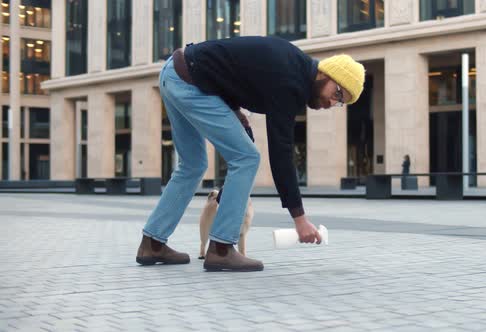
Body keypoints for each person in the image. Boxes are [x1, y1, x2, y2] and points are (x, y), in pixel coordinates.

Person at [135, 36, 366, 272]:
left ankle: (152, 243)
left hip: (174, 73)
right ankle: (222, 248)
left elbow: (230, 71)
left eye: (340, 103)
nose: (332, 103)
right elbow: (281, 152)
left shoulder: (292, 67)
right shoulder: (292, 81)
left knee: (193, 164)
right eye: (337, 94)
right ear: (326, 74)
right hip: (190, 82)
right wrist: (300, 220)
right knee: (246, 157)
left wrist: (234, 110)